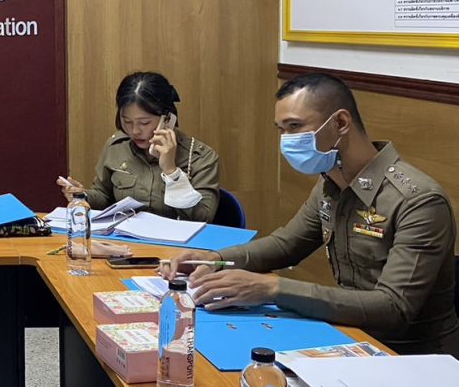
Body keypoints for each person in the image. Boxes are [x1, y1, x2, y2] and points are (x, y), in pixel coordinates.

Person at [163, 73, 459, 357]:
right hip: (349, 334)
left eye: (295, 126)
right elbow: (287, 245)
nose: (286, 140)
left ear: (340, 123)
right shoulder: (331, 183)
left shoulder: (418, 201)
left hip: (410, 354)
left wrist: (272, 288)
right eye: (281, 129)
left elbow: (393, 308)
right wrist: (215, 259)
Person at [58, 72, 220, 222]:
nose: (135, 131)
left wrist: (171, 171)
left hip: (177, 243)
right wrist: (82, 196)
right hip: (124, 240)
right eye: (127, 121)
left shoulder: (200, 157)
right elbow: (104, 196)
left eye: (144, 123)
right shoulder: (116, 146)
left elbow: (203, 219)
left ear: (168, 119)